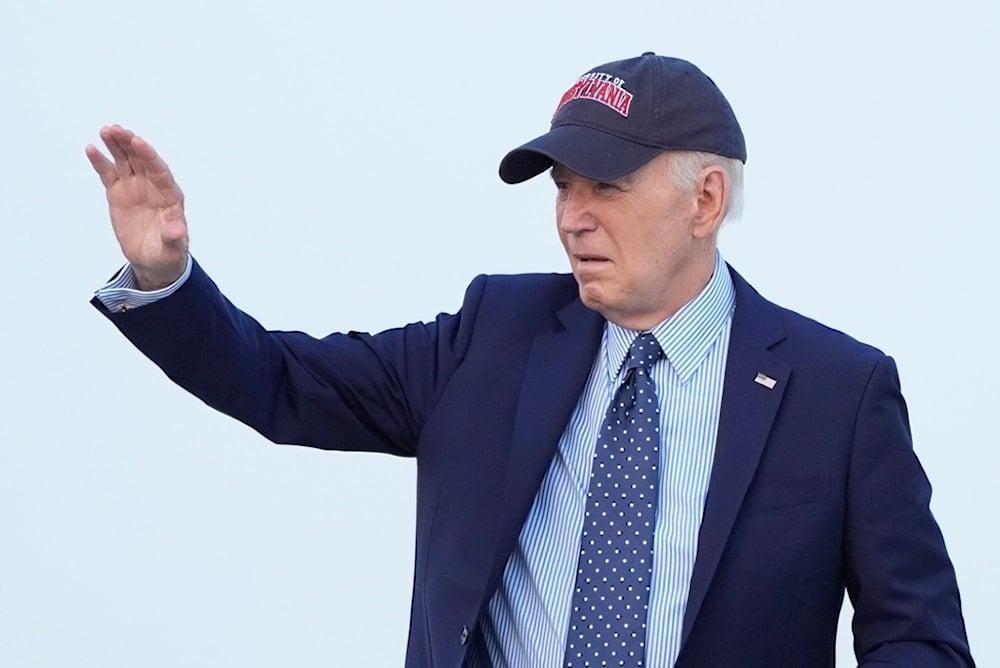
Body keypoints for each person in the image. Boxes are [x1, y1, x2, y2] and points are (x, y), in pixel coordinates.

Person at [87, 53, 974, 667]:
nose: (571, 217)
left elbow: (921, 637)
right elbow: (279, 384)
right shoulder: (491, 334)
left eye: (607, 188)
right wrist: (168, 280)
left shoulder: (838, 391)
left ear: (705, 200)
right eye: (562, 186)